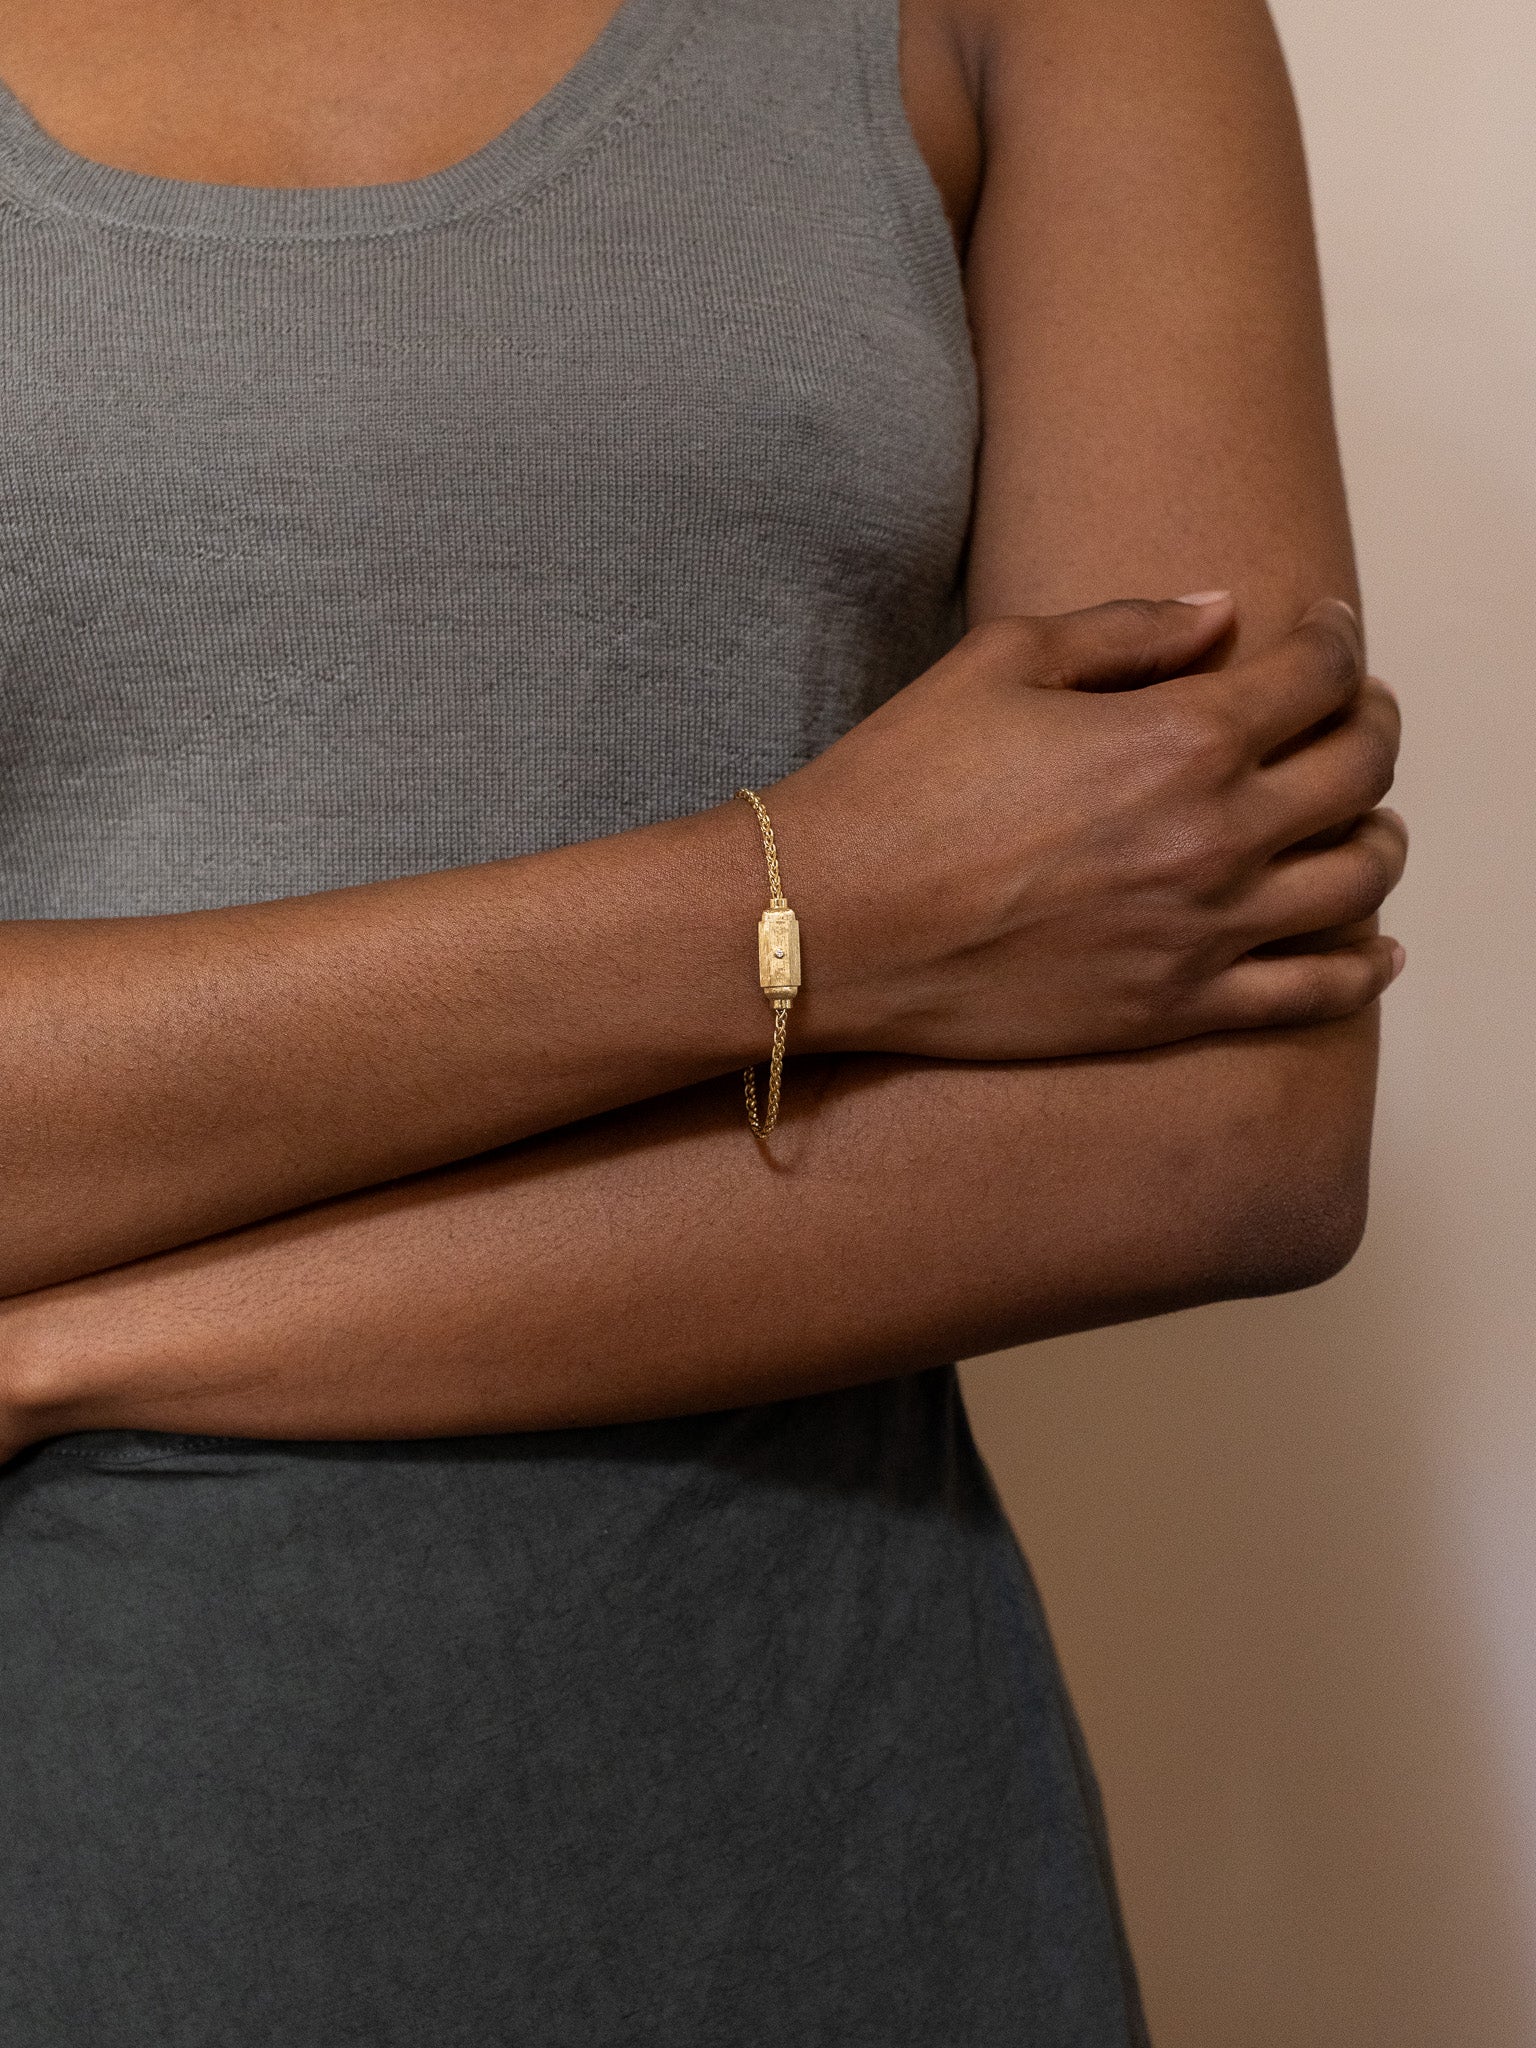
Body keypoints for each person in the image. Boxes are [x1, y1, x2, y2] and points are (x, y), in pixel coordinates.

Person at [0, 0, 1405, 2040]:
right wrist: (826, 899)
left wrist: (64, 1345)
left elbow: (1224, 1131)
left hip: (804, 1813)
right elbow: (942, 927)